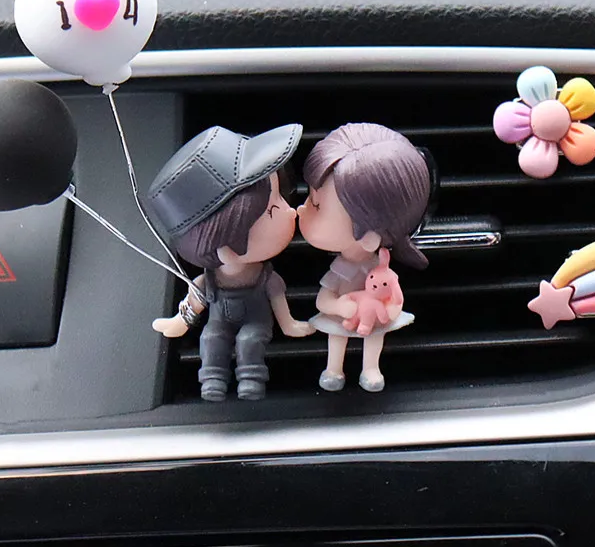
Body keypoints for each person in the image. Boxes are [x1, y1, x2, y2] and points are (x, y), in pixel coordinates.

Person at [147, 124, 314, 401]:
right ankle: (212, 379)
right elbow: (195, 304)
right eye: (273, 208)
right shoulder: (209, 280)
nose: (291, 211)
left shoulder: (265, 277)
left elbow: (278, 304)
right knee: (210, 338)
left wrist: (289, 325)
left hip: (256, 323)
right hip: (219, 322)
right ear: (227, 236)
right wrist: (180, 321)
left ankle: (251, 379)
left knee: (250, 340)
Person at [298, 123, 431, 393]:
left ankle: (370, 368)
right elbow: (322, 300)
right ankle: (334, 368)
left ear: (368, 237)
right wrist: (338, 307)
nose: (300, 209)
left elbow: (395, 297)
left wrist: (390, 311)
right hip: (343, 316)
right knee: (336, 337)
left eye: (317, 205)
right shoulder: (341, 270)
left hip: (374, 317)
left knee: (374, 337)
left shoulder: (381, 271)